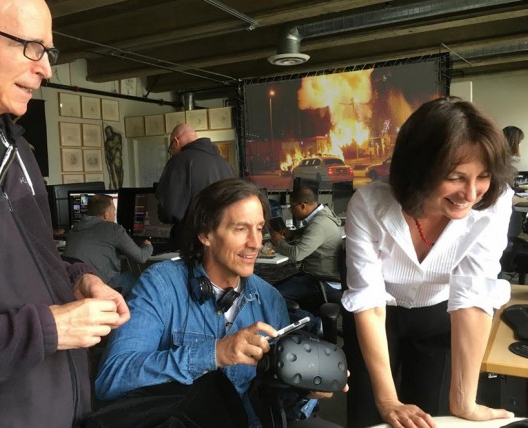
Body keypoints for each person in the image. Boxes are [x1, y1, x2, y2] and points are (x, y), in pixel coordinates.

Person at [0, 1, 129, 426]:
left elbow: (36, 262)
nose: (47, 70)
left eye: (48, 51)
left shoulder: (16, 151)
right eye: (30, 46)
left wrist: (77, 280)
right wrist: (48, 330)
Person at [95, 178, 344, 427]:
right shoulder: (161, 286)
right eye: (240, 229)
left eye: (259, 228)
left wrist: (306, 390)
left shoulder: (269, 300)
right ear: (205, 234)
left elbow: (275, 404)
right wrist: (215, 353)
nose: (256, 243)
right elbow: (112, 378)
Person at [340, 96, 516, 428]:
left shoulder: (494, 201)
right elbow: (370, 303)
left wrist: (465, 402)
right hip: (379, 315)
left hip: (440, 310)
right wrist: (388, 401)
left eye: (483, 176)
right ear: (419, 169)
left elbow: (473, 293)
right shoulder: (368, 205)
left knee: (433, 415)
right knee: (370, 413)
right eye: (456, 177)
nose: (472, 193)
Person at [155, 122, 234, 245]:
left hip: (192, 241)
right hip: (222, 238)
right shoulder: (224, 163)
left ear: (176, 141)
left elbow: (169, 211)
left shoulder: (178, 161)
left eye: (171, 149)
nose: (172, 152)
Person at [270, 185, 343, 314]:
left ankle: (313, 324)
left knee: (272, 297)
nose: (291, 211)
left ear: (303, 205)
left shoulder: (319, 224)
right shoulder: (323, 215)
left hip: (322, 281)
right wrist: (292, 234)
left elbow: (297, 254)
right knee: (273, 289)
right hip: (320, 276)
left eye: (292, 207)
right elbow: (309, 232)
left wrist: (278, 242)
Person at [63, 194, 153, 297]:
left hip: (75, 289)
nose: (114, 215)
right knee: (131, 277)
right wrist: (148, 245)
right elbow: (141, 257)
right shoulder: (113, 229)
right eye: (114, 211)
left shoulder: (73, 230)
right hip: (98, 289)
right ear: (106, 215)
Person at [104, 125, 123, 190]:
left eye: (109, 132)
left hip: (117, 159)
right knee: (114, 175)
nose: (108, 134)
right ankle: (117, 189)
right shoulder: (107, 143)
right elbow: (107, 154)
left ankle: (119, 189)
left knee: (119, 175)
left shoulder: (117, 136)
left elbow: (119, 147)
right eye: (107, 133)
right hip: (112, 161)